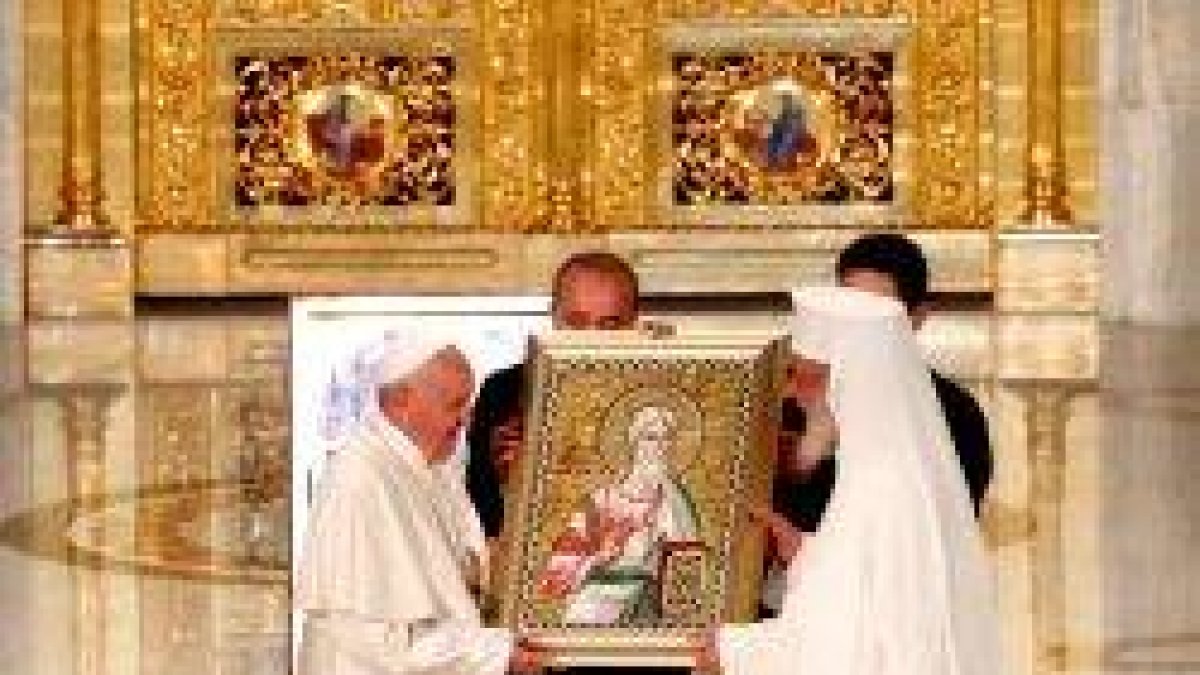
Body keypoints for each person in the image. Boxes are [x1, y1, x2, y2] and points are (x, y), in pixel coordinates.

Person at [699, 285, 1003, 675]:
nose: (792, 394)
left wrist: (733, 651)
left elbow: (843, 647)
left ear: (847, 381)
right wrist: (803, 553)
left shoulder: (879, 486)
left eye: (804, 377)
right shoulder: (887, 470)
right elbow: (876, 600)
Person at [295, 336, 541, 674]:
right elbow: (384, 643)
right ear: (401, 402)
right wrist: (497, 654)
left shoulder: (431, 470)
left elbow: (463, 578)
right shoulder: (361, 479)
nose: (465, 421)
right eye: (454, 405)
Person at [773, 233, 993, 539]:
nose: (857, 329)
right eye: (848, 311)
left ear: (917, 318)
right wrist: (807, 455)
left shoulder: (956, 413)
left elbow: (949, 528)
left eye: (875, 315)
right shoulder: (797, 399)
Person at [466, 251, 640, 542]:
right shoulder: (504, 391)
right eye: (577, 322)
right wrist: (509, 482)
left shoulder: (654, 390)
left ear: (633, 323)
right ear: (555, 317)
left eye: (609, 325)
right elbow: (481, 513)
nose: (591, 340)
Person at [536, 406, 700, 625]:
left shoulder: (675, 501)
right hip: (599, 602)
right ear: (634, 443)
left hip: (654, 605)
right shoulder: (600, 502)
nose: (660, 448)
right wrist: (600, 559)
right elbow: (558, 569)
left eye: (666, 439)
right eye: (651, 438)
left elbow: (690, 563)